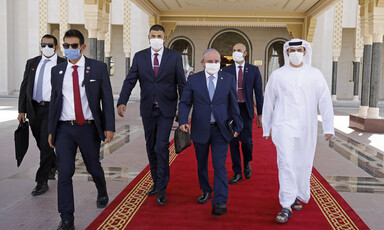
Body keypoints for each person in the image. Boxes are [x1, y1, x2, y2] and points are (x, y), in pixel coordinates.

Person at [48, 29, 115, 230]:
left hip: (88, 128)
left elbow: (107, 100)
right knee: (65, 172)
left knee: (93, 166)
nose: (69, 49)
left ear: (82, 47)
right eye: (66, 46)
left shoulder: (98, 68)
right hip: (64, 129)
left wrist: (109, 127)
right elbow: (54, 101)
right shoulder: (57, 71)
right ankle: (67, 219)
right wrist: (51, 130)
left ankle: (101, 189)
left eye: (74, 46)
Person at [262, 38, 334, 224]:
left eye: (299, 49)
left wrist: (328, 127)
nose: (295, 53)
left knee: (301, 163)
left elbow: (325, 101)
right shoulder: (278, 75)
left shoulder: (315, 74)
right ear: (286, 53)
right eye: (291, 50)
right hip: (283, 125)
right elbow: (269, 101)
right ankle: (286, 204)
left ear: (305, 51)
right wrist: (266, 127)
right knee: (286, 162)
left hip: (306, 127)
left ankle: (295, 195)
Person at [117, 24, 186, 205]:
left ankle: (162, 187)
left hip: (166, 110)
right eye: (153, 35)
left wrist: (183, 109)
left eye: (159, 35)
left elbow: (182, 84)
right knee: (150, 146)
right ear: (149, 37)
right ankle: (156, 181)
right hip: (148, 108)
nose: (156, 38)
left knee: (161, 146)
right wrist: (122, 100)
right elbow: (130, 79)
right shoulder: (140, 57)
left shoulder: (174, 57)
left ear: (164, 38)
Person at [179, 49, 243, 216]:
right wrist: (183, 121)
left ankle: (220, 201)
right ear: (202, 63)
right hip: (200, 129)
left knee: (219, 165)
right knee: (201, 164)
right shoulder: (193, 80)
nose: (213, 64)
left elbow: (233, 103)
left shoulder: (228, 79)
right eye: (210, 61)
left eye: (216, 61)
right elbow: (185, 102)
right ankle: (206, 189)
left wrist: (238, 126)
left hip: (221, 130)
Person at [18, 34, 66, 196]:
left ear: (56, 47)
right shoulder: (32, 63)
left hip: (52, 109)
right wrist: (21, 110)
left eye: (50, 45)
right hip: (34, 109)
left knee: (46, 144)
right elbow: (25, 87)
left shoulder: (62, 64)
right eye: (43, 44)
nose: (46, 48)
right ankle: (53, 165)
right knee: (40, 142)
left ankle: (42, 181)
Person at [222, 43, 263, 184]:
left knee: (246, 141)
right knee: (232, 142)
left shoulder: (253, 70)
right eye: (234, 50)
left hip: (246, 110)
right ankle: (237, 172)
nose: (236, 52)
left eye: (239, 50)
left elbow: (258, 94)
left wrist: (260, 114)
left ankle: (247, 162)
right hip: (231, 111)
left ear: (245, 53)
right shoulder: (226, 71)